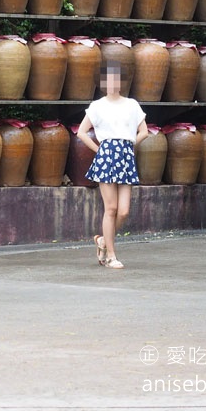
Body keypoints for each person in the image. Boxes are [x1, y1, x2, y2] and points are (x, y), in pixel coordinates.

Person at [76, 63, 148, 269]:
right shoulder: (97, 106)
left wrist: (131, 143)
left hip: (126, 155)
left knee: (123, 211)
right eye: (107, 80)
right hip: (107, 156)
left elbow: (143, 131)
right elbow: (81, 132)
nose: (112, 83)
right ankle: (111, 255)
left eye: (116, 79)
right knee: (112, 208)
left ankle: (102, 241)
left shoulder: (132, 104)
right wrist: (99, 150)